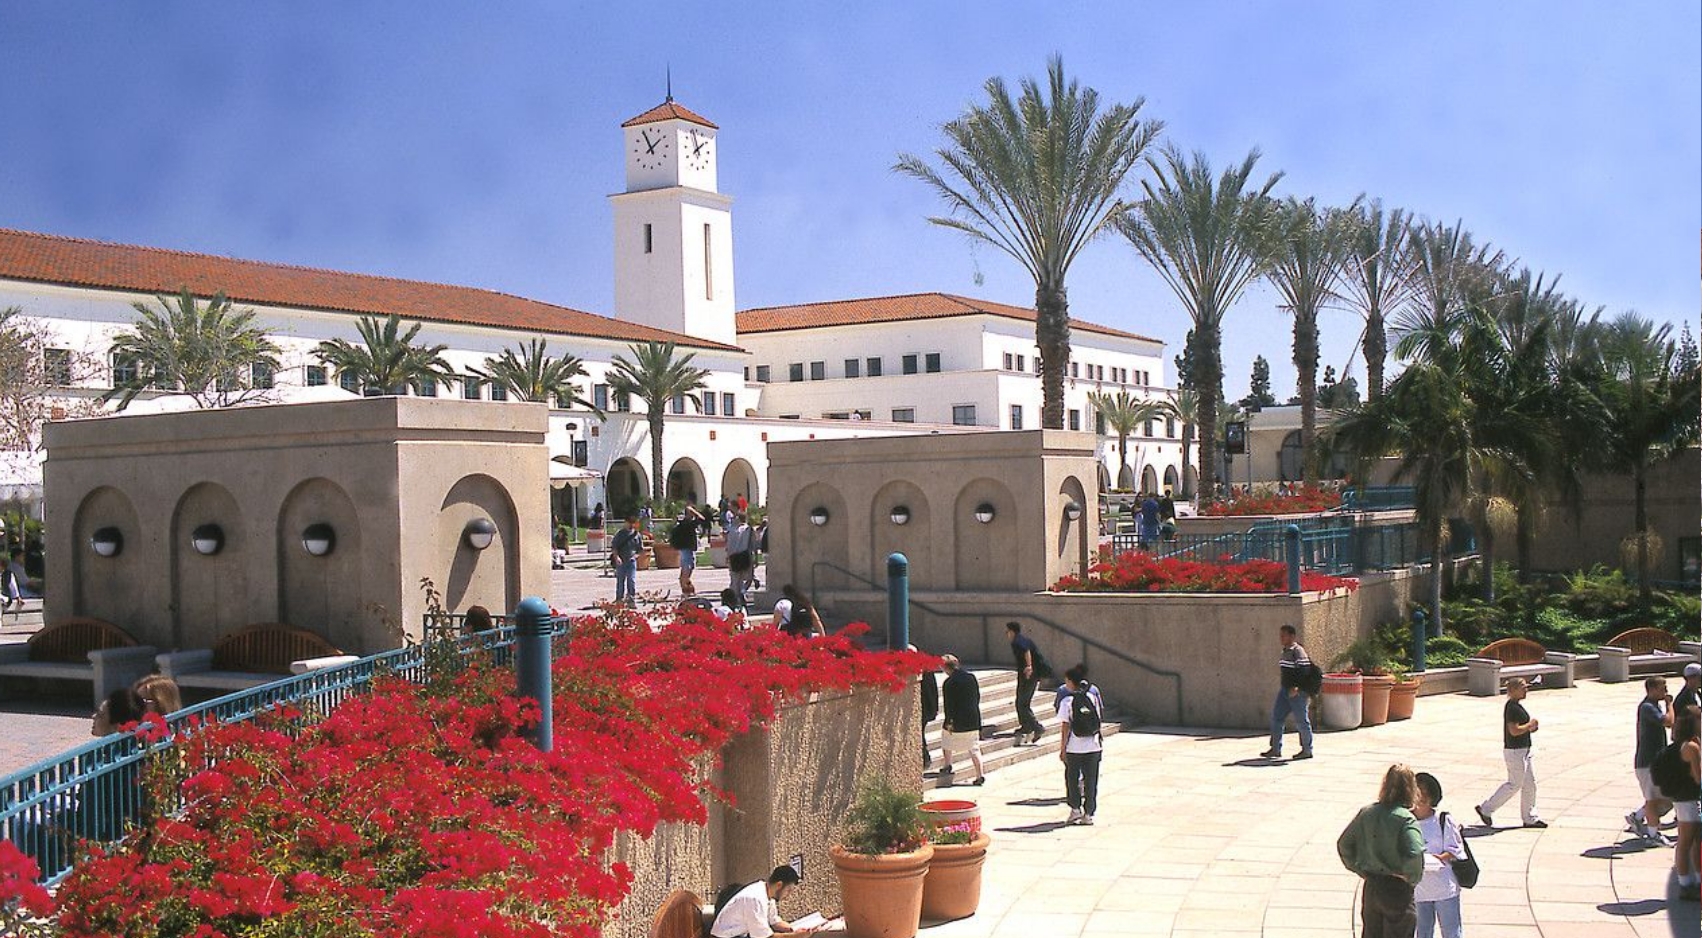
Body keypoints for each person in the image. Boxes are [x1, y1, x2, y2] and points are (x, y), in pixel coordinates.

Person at [1337, 764, 1426, 938]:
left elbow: (1344, 844)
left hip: (1372, 886)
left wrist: (1359, 869)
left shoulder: (1367, 813)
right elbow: (1415, 852)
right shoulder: (1406, 819)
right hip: (1397, 889)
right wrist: (1412, 877)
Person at [1474, 677, 1546, 829]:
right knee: (1514, 784)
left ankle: (1530, 818)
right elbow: (1513, 730)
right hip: (1515, 752)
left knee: (1530, 785)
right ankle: (1486, 809)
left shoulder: (1517, 706)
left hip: (1524, 750)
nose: (1526, 690)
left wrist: (1530, 728)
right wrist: (1530, 725)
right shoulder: (1512, 708)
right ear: (1513, 690)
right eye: (1523, 687)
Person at [1412, 771, 1467, 938]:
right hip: (1419, 889)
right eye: (1417, 793)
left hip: (1444, 887)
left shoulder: (1443, 819)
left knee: (1451, 932)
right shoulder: (1407, 821)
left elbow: (1456, 850)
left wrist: (1438, 859)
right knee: (1423, 932)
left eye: (1424, 795)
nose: (1420, 799)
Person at [1627, 676, 1675, 844]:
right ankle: (1653, 835)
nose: (1666, 691)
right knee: (1654, 799)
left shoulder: (1652, 706)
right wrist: (1670, 704)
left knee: (1666, 797)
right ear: (1652, 689)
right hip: (1647, 763)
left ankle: (1638, 816)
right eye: (1663, 688)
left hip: (1655, 762)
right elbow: (1668, 722)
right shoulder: (1647, 707)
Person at [708, 864, 813, 938]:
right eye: (788, 890)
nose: (789, 895)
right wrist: (795, 936)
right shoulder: (755, 899)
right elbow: (766, 937)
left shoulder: (768, 894)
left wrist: (795, 929)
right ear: (779, 885)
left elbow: (774, 921)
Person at [1057, 664, 1104, 826]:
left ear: (1071, 682)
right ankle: (1089, 813)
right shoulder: (1092, 697)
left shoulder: (1067, 701)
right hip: (1093, 745)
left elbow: (1065, 726)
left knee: (1072, 778)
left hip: (1074, 748)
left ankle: (1075, 809)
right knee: (1091, 780)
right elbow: (1098, 718)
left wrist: (1062, 749)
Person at [1262, 624, 1315, 760]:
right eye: (1280, 635)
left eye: (1283, 635)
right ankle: (1275, 748)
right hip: (1285, 691)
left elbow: (1305, 672)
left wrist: (1297, 687)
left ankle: (1307, 750)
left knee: (1301, 720)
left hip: (1296, 692)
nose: (1281, 638)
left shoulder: (1298, 651)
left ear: (1292, 636)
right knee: (1276, 717)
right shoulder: (1285, 651)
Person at [937, 654, 985, 786]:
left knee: (946, 742)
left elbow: (949, 705)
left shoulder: (949, 683)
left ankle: (947, 765)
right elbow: (977, 698)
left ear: (945, 668)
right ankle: (980, 774)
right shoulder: (971, 677)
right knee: (974, 748)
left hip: (957, 720)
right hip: (972, 718)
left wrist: (949, 722)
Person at [1671, 705, 1701, 901]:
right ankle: (1686, 884)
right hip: (1690, 799)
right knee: (1686, 842)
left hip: (1684, 799)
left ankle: (1692, 882)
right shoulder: (1692, 746)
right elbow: (1698, 777)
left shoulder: (1685, 742)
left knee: (1693, 842)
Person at [1006, 622, 1049, 745]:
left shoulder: (1018, 641)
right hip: (1029, 674)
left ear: (1012, 631)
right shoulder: (1022, 640)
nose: (1007, 634)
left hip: (1028, 675)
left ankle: (1037, 727)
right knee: (1022, 702)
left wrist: (1029, 667)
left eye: (1007, 632)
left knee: (1022, 703)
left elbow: (1026, 651)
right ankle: (1026, 726)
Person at [672, 504, 707, 597]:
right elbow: (702, 518)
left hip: (688, 549)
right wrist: (693, 511)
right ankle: (686, 590)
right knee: (687, 570)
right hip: (687, 549)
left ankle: (686, 588)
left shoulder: (685, 523)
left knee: (687, 569)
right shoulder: (688, 523)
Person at [610, 515, 644, 605]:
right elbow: (614, 547)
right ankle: (619, 599)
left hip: (631, 561)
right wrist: (617, 557)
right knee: (620, 581)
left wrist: (635, 556)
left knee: (631, 580)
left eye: (632, 523)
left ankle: (631, 599)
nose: (631, 525)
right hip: (621, 561)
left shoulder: (636, 535)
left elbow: (640, 550)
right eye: (629, 522)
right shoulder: (620, 534)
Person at [726, 513, 756, 607]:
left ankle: (736, 598)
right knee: (748, 578)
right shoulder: (749, 530)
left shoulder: (732, 530)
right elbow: (753, 544)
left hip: (734, 556)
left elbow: (729, 545)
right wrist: (755, 557)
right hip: (745, 555)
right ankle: (742, 592)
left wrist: (728, 557)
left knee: (736, 579)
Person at [915, 645, 938, 769]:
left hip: (923, 708)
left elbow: (931, 690)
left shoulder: (924, 670)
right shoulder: (927, 670)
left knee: (920, 735)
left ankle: (925, 759)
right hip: (925, 708)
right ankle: (925, 758)